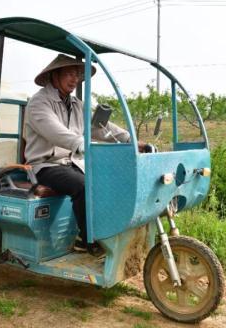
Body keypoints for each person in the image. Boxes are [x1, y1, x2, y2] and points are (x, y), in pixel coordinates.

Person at [24, 54, 146, 256]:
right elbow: (55, 131)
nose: (75, 79)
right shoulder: (39, 103)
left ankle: (108, 230)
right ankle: (86, 240)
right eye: (70, 74)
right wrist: (81, 143)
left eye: (78, 75)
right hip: (46, 165)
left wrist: (130, 140)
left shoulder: (77, 104)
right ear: (55, 74)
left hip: (72, 162)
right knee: (83, 185)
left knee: (106, 180)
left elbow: (100, 127)